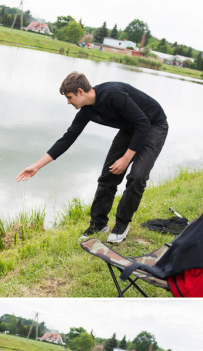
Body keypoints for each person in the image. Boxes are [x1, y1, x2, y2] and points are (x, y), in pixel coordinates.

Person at [16, 71, 168, 244]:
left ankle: (121, 224)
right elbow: (68, 138)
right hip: (131, 127)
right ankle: (98, 224)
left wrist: (126, 159)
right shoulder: (87, 111)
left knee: (137, 176)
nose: (68, 102)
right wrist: (36, 166)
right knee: (108, 176)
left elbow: (143, 123)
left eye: (69, 97)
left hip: (153, 125)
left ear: (81, 91)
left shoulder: (113, 94)